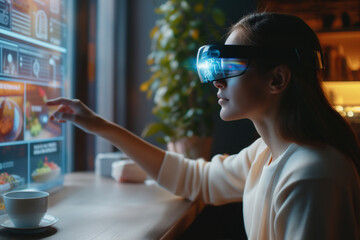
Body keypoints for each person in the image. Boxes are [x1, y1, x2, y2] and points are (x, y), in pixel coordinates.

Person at [47, 12, 360, 240]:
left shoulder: (312, 175)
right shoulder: (267, 153)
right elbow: (195, 179)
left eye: (230, 67)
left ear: (277, 79)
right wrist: (100, 125)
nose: (216, 82)